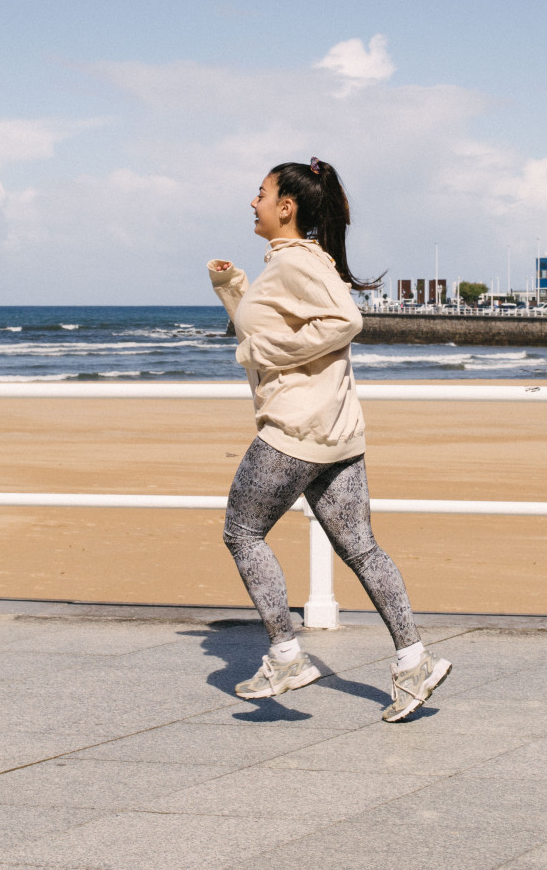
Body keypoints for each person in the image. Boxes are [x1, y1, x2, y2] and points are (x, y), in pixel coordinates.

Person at [207, 157, 451, 722]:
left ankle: (287, 654)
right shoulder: (299, 263)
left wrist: (261, 353)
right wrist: (233, 286)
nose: (253, 201)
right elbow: (275, 323)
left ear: (286, 206)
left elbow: (343, 321)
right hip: (338, 433)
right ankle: (414, 661)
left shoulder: (296, 262)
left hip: (296, 429)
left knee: (242, 533)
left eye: (261, 193)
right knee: (360, 547)